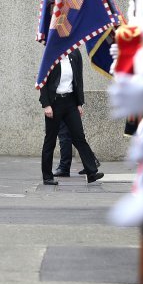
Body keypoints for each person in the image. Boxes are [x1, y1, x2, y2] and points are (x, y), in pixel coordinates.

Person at [39, 49, 104, 185]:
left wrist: (79, 103)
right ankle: (47, 177)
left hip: (70, 102)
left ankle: (91, 172)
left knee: (79, 136)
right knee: (50, 140)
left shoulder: (74, 54)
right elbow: (42, 81)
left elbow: (78, 79)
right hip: (54, 103)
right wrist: (46, 104)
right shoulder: (51, 55)